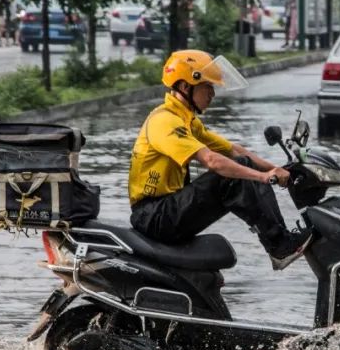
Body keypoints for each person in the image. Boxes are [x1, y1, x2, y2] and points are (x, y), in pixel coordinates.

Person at [128, 49, 312, 270]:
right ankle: (279, 246)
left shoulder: (186, 120)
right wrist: (264, 177)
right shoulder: (164, 121)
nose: (212, 94)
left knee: (243, 166)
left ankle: (281, 239)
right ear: (186, 87)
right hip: (153, 216)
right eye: (208, 87)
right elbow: (212, 161)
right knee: (232, 177)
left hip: (166, 209)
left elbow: (233, 151)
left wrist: (281, 170)